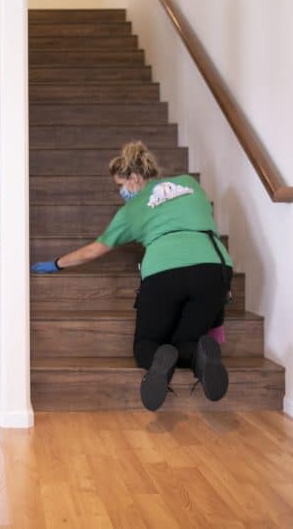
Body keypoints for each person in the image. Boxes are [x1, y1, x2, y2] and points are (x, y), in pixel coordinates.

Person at [30, 141, 232, 411]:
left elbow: (93, 251)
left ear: (134, 178)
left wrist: (56, 264)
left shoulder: (130, 211)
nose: (121, 192)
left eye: (120, 185)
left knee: (147, 344)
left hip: (164, 272)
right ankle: (202, 356)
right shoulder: (190, 184)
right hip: (214, 269)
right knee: (186, 341)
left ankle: (160, 360)